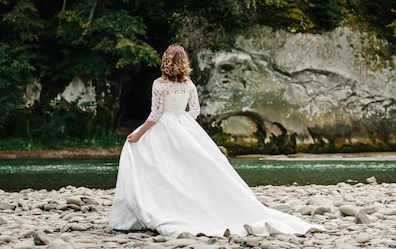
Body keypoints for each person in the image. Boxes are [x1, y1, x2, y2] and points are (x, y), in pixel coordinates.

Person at [109, 44, 323, 237]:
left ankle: (148, 205)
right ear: (183, 62)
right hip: (183, 126)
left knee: (144, 156)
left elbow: (155, 115)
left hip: (164, 125)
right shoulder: (188, 84)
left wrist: (139, 133)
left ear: (166, 60)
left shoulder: (159, 84)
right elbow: (195, 110)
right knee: (191, 167)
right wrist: (182, 124)